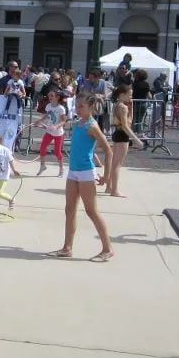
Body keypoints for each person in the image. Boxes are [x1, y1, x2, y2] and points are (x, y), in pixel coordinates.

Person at [47, 93, 115, 261]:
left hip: (86, 172)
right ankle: (67, 248)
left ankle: (107, 249)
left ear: (91, 107)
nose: (78, 109)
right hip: (73, 171)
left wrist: (107, 176)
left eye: (81, 106)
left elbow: (108, 150)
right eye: (76, 105)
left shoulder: (92, 126)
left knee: (91, 211)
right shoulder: (78, 124)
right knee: (69, 209)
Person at [105, 84, 144, 197]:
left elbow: (128, 121)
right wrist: (137, 140)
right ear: (122, 95)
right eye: (130, 94)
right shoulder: (123, 107)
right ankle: (114, 190)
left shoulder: (117, 105)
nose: (131, 96)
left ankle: (109, 187)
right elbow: (126, 126)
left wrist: (131, 109)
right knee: (117, 164)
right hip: (122, 136)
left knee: (114, 163)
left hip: (117, 134)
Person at [33, 89, 67, 177]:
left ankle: (61, 170)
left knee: (57, 152)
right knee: (42, 148)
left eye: (52, 96)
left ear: (57, 97)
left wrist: (56, 126)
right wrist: (39, 122)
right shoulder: (48, 106)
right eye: (49, 96)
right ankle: (43, 165)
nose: (49, 97)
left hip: (58, 133)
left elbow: (64, 121)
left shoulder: (61, 108)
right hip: (49, 131)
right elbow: (47, 116)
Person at [131, 69, 151, 136]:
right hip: (143, 103)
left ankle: (133, 134)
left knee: (134, 119)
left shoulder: (135, 84)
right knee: (140, 120)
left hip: (135, 103)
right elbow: (149, 95)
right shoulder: (146, 84)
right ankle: (140, 133)